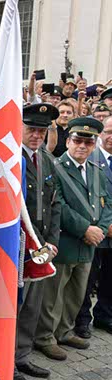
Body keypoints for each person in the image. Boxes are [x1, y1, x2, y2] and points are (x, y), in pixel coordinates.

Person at [34, 117, 112, 361]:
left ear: (94, 145)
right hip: (66, 241)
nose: (82, 146)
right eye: (78, 141)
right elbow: (59, 205)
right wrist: (85, 229)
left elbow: (107, 203)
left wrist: (100, 229)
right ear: (68, 141)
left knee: (77, 293)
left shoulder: (96, 170)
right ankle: (45, 337)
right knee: (53, 295)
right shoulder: (56, 167)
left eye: (88, 143)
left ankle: (65, 331)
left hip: (89, 244)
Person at [14, 103, 62, 380]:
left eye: (41, 131)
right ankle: (6, 363)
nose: (36, 136)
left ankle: (21, 356)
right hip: (21, 245)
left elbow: (55, 203)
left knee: (32, 305)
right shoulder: (12, 158)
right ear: (20, 128)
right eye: (31, 129)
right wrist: (35, 242)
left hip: (42, 245)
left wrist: (52, 241)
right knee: (15, 306)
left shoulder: (46, 159)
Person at [74, 115, 112, 337]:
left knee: (110, 278)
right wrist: (105, 226)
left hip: (108, 227)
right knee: (87, 280)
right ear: (101, 135)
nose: (111, 137)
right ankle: (81, 320)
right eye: (108, 132)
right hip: (96, 230)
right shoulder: (90, 157)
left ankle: (105, 315)